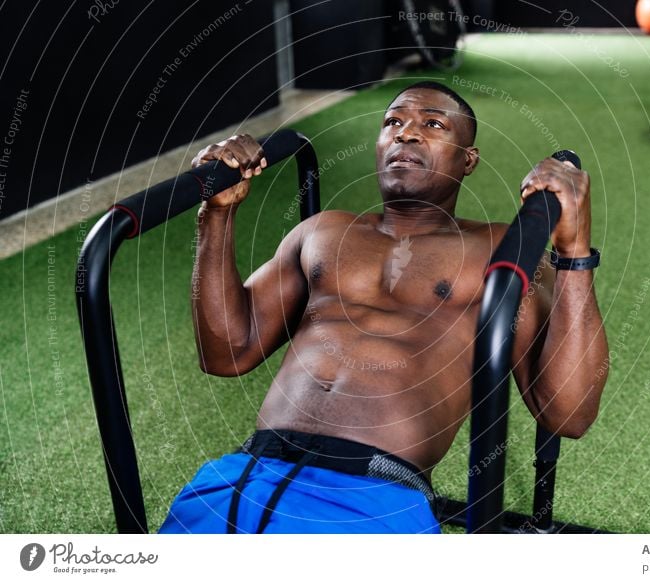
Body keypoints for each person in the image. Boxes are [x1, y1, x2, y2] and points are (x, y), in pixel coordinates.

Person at [159, 81, 609, 534]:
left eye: (433, 124)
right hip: (251, 473)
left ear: (467, 160)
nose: (405, 134)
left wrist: (574, 249)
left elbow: (568, 413)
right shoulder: (322, 231)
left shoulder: (502, 250)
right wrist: (216, 215)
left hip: (374, 495)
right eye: (393, 122)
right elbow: (226, 354)